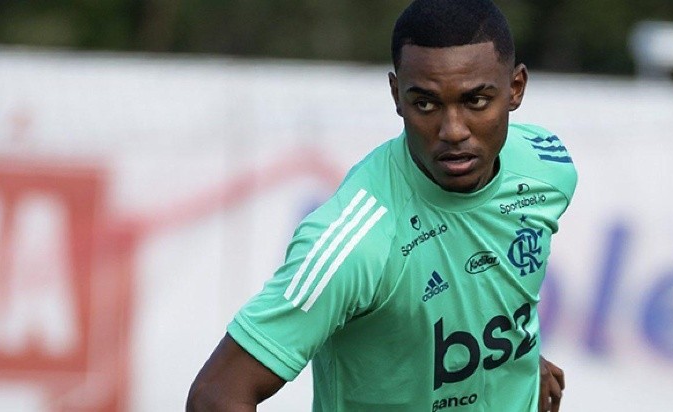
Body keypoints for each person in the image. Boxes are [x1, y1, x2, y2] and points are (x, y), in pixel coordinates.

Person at [187, 0, 575, 410]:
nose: (453, 130)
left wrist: (519, 359)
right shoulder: (357, 243)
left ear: (515, 88)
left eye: (476, 101)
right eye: (425, 104)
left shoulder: (546, 166)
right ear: (396, 95)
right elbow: (216, 394)